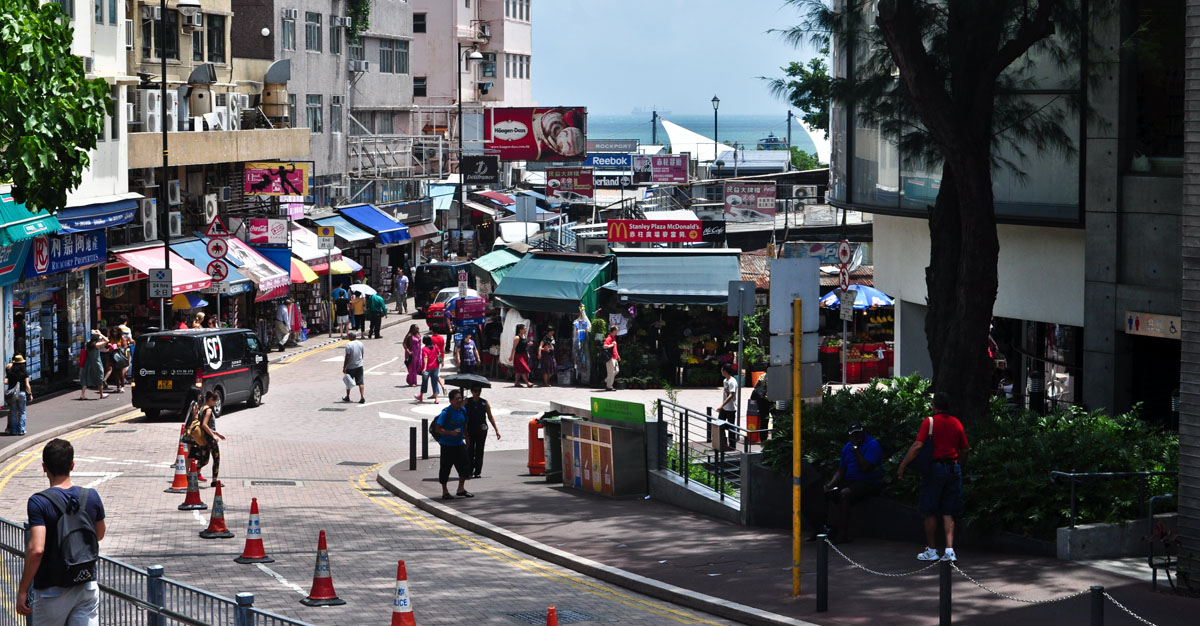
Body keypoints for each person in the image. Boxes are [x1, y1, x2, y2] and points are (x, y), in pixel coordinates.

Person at [17, 438, 106, 623]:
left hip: (52, 591)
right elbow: (99, 534)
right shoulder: (91, 496)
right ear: (72, 465)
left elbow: (36, 550)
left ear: (44, 467)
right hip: (85, 585)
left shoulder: (39, 502)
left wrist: (23, 589)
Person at [898, 392, 969, 562]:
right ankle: (950, 550)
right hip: (953, 468)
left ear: (934, 406)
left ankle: (931, 550)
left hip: (934, 469)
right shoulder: (956, 422)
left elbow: (918, 446)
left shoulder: (929, 422)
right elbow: (965, 449)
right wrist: (961, 465)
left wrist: (903, 465)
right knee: (948, 512)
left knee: (930, 510)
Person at [822, 422, 884, 543]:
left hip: (868, 481)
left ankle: (842, 534)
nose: (858, 436)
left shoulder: (872, 445)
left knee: (845, 494)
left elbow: (865, 467)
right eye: (854, 435)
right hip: (850, 481)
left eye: (859, 433)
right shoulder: (846, 447)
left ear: (863, 432)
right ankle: (825, 529)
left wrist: (855, 448)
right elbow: (841, 470)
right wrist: (831, 484)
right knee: (827, 491)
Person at [432, 389, 472, 499]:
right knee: (445, 468)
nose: (460, 400)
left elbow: (464, 425)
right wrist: (450, 432)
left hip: (459, 444)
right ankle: (445, 491)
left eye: (461, 398)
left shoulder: (463, 411)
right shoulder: (446, 413)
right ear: (451, 401)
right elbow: (438, 428)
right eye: (457, 399)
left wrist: (467, 438)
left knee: (465, 466)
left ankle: (461, 489)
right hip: (447, 445)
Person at [187, 391, 226, 484]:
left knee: (204, 460)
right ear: (210, 399)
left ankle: (191, 474)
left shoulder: (202, 408)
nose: (215, 403)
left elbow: (208, 425)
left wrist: (218, 434)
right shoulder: (208, 410)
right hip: (210, 438)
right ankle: (214, 481)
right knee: (216, 459)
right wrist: (214, 436)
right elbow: (204, 425)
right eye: (214, 400)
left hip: (204, 437)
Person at [465, 386, 500, 478]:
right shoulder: (467, 402)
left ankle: (477, 471)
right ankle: (469, 470)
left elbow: (490, 416)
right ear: (472, 391)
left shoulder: (484, 403)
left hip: (481, 429)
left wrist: (496, 429)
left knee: (480, 450)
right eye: (476, 390)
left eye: (479, 391)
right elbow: (461, 413)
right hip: (470, 428)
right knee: (470, 450)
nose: (478, 392)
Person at [5, 355, 32, 436]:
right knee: (22, 412)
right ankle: (21, 430)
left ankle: (13, 430)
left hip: (13, 394)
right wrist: (30, 394)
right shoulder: (24, 372)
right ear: (22, 363)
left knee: (13, 412)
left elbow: (5, 382)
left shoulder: (10, 372)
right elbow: (27, 385)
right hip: (22, 393)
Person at [78, 330, 109, 400]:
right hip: (96, 363)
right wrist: (100, 333)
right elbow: (107, 340)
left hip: (88, 362)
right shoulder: (97, 345)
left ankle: (82, 394)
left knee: (85, 377)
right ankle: (101, 394)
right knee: (99, 377)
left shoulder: (88, 343)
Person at [717, 364, 739, 449]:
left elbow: (731, 395)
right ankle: (723, 442)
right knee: (720, 424)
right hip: (724, 408)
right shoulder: (725, 380)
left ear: (725, 371)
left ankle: (732, 445)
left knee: (731, 427)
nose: (721, 372)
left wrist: (722, 405)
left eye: (722, 370)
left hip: (731, 408)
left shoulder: (732, 381)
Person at [342, 331, 365, 404]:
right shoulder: (361, 343)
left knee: (348, 381)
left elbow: (347, 356)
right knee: (361, 382)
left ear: (351, 337)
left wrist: (344, 366)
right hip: (359, 365)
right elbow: (362, 353)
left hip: (351, 366)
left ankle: (347, 396)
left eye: (349, 336)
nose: (348, 337)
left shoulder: (349, 345)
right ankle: (362, 397)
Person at [415, 336, 441, 403]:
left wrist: (424, 368)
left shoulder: (424, 349)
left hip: (428, 369)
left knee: (424, 381)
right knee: (435, 382)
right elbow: (439, 353)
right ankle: (436, 398)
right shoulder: (435, 346)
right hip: (435, 367)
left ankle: (421, 396)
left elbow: (425, 358)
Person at [107, 326, 129, 393]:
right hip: (112, 355)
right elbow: (108, 344)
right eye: (113, 332)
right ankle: (118, 386)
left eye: (115, 332)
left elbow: (125, 346)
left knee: (120, 371)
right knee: (115, 372)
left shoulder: (121, 338)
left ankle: (122, 386)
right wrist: (110, 346)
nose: (114, 333)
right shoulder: (110, 338)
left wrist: (118, 347)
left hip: (119, 356)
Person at [602, 326, 620, 391]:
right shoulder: (609, 338)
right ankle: (609, 386)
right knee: (611, 372)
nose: (617, 331)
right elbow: (604, 346)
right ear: (614, 331)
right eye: (617, 330)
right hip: (610, 358)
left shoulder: (614, 338)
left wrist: (618, 355)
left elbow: (615, 348)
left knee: (617, 371)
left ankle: (606, 380)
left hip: (614, 357)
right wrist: (612, 344)